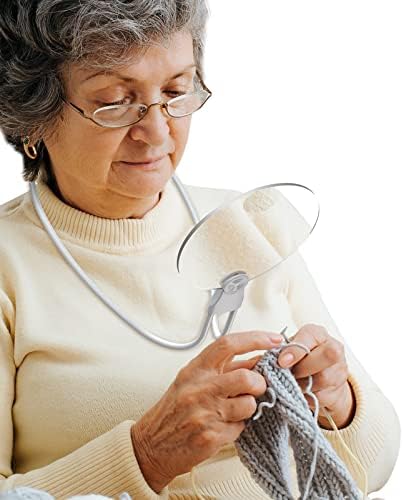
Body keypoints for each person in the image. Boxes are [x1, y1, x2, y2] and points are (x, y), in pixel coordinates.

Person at [0, 1, 399, 499]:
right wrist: (146, 455)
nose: (158, 132)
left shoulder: (251, 223)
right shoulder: (9, 265)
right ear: (33, 116)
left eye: (175, 91)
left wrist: (337, 403)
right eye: (115, 102)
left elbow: (377, 462)